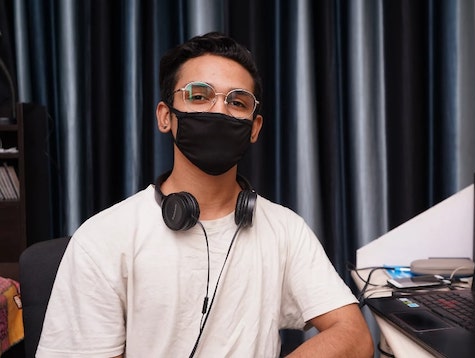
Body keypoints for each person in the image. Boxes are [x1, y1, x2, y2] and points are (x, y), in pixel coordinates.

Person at [37, 32, 374, 357]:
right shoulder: (102, 238)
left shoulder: (285, 229)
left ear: (254, 128)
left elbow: (354, 335)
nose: (219, 110)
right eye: (199, 95)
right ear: (165, 116)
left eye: (237, 101)